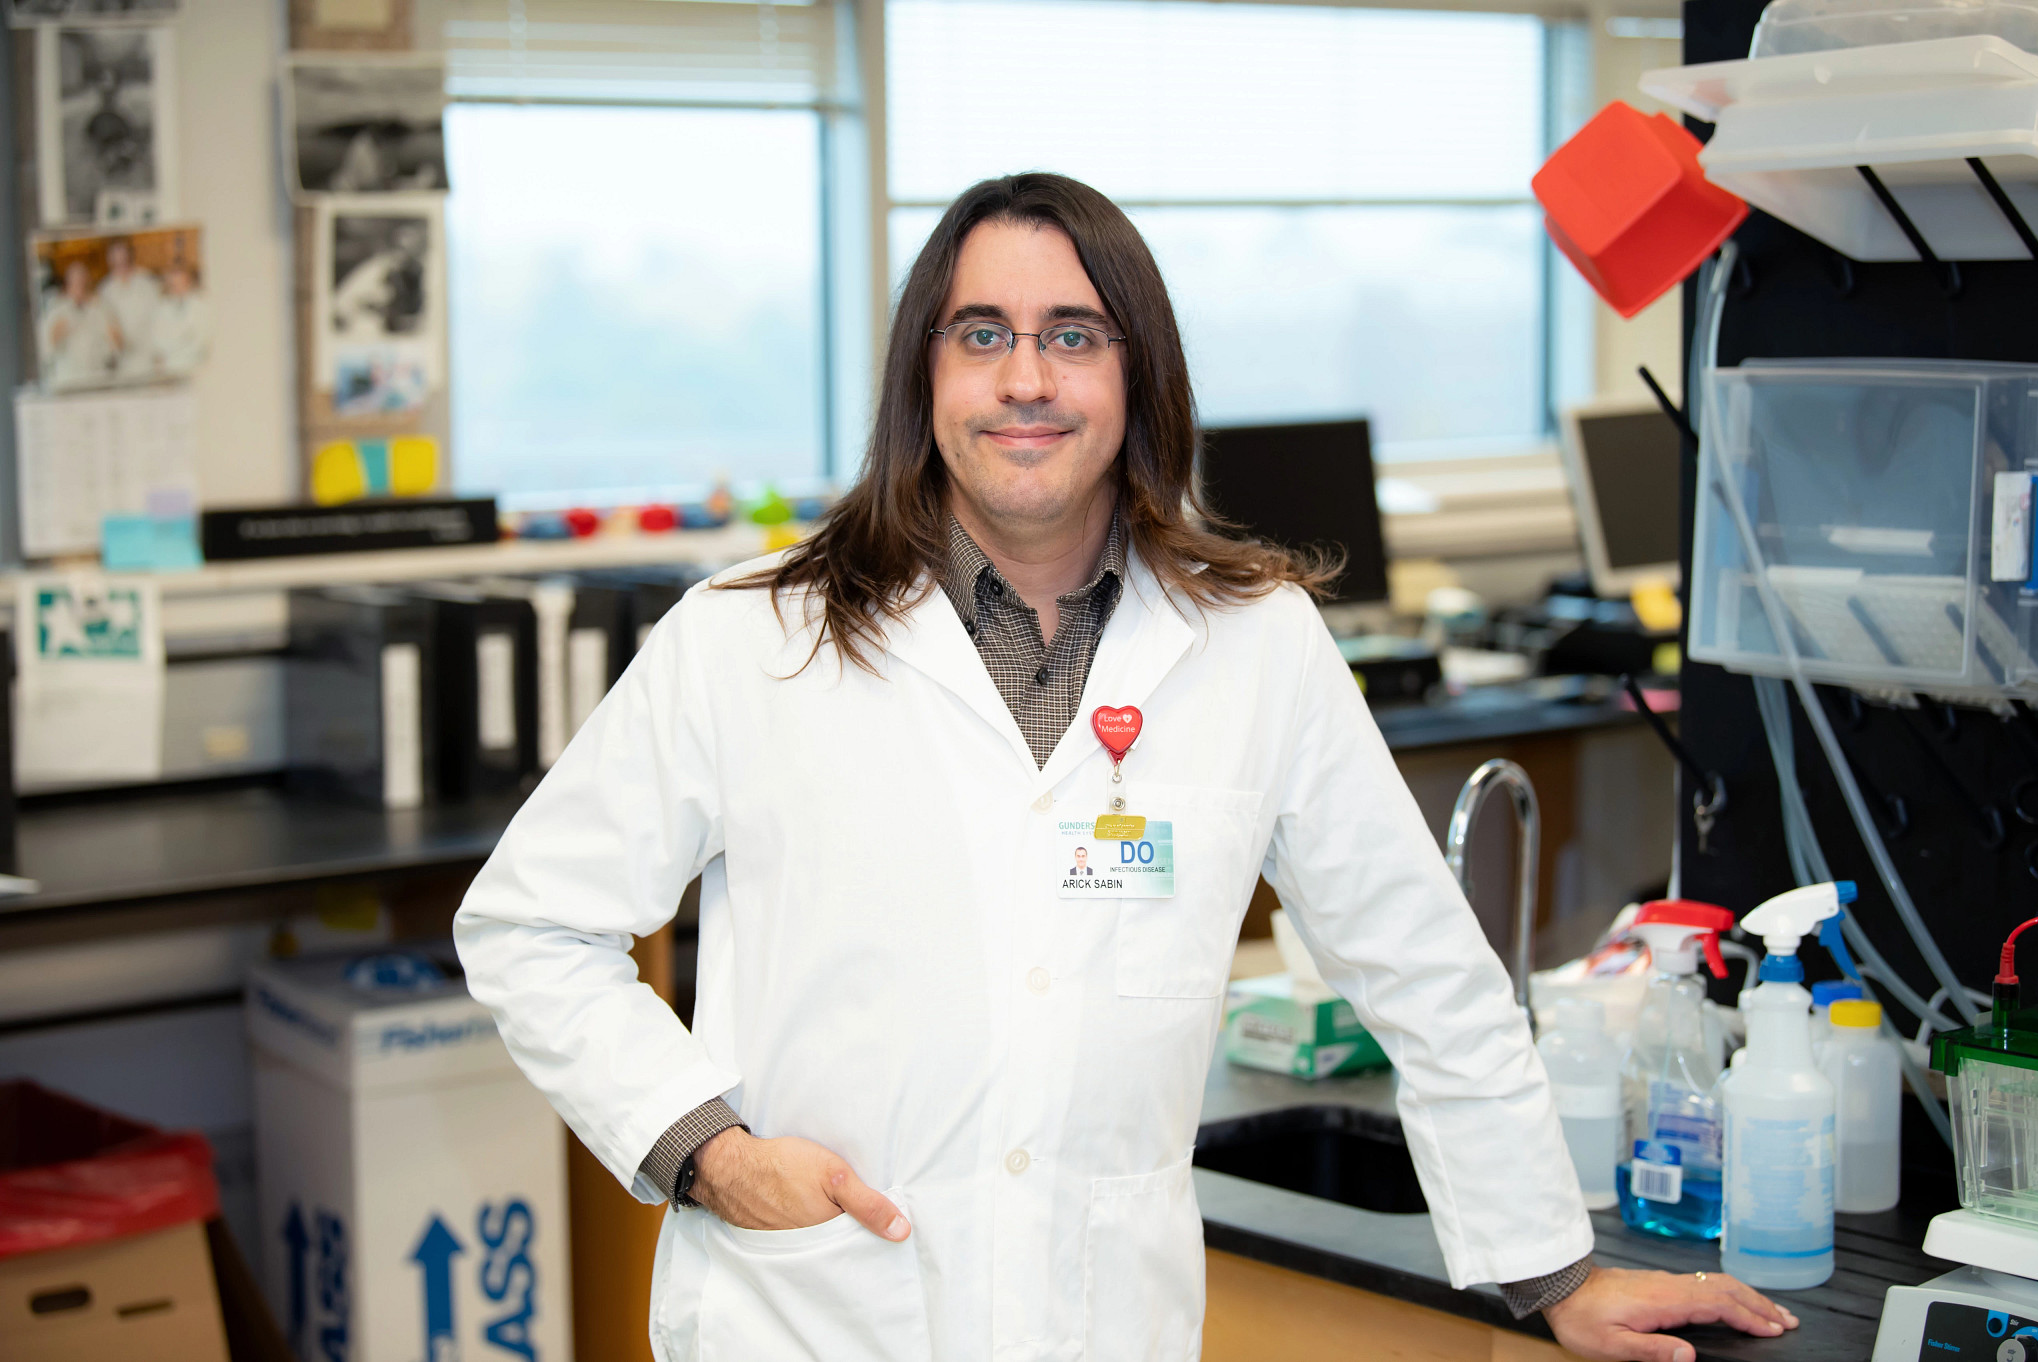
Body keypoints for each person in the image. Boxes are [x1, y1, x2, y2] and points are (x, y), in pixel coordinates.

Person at [455, 173, 1799, 1362]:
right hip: (816, 1311)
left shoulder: (1255, 643)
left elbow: (1424, 969)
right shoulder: (753, 635)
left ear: (1136, 375)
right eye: (982, 334)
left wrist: (1553, 1270)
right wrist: (709, 1156)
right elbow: (530, 924)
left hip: (1100, 1317)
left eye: (1072, 336)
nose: (1025, 380)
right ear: (925, 376)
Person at [39, 258, 115, 391]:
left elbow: (113, 346)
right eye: (75, 282)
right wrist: (58, 330)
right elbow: (47, 348)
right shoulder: (56, 309)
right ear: (68, 284)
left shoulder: (100, 307)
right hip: (68, 379)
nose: (79, 286)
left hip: (98, 377)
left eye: (82, 281)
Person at [98, 237, 161, 382]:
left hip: (151, 359)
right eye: (116, 261)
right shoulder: (105, 290)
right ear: (110, 261)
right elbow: (105, 327)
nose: (121, 264)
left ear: (131, 256)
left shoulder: (148, 282)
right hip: (122, 364)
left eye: (124, 259)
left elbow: (160, 318)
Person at [150, 258, 208, 378]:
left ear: (188, 280)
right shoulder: (161, 308)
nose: (176, 287)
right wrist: (184, 336)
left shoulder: (201, 305)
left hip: (196, 368)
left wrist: (176, 339)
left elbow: (201, 341)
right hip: (170, 369)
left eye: (181, 282)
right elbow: (158, 342)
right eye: (173, 283)